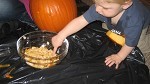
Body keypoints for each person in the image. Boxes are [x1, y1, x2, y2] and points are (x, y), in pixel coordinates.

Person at [52, 0, 150, 69]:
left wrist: (119, 56)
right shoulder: (100, 8)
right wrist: (61, 35)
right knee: (106, 32)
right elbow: (80, 21)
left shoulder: (134, 20)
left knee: (138, 44)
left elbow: (130, 44)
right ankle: (113, 27)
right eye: (95, 2)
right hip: (114, 22)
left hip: (139, 27)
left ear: (125, 5)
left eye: (105, 7)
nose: (97, 9)